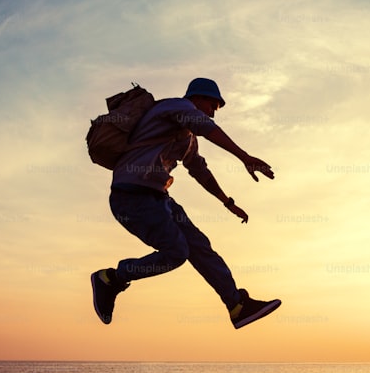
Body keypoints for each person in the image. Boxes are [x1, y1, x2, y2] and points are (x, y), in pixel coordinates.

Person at [91, 77, 282, 329]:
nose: (214, 112)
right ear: (198, 98)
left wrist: (228, 202)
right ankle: (112, 278)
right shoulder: (174, 108)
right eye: (214, 105)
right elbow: (204, 125)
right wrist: (244, 157)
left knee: (200, 247)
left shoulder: (188, 138)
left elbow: (200, 170)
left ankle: (237, 306)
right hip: (131, 196)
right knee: (176, 253)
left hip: (159, 199)